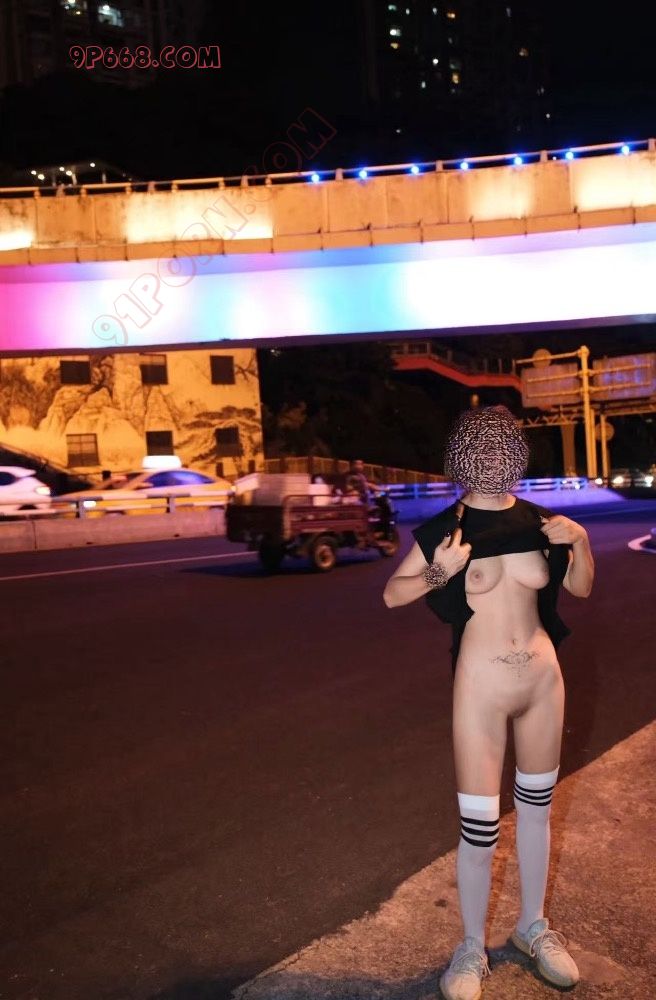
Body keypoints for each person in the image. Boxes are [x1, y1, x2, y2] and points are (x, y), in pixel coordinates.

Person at [383, 404, 594, 999]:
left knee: (537, 812)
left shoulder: (542, 524)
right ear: (460, 458)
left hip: (544, 685)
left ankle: (532, 927)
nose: (491, 457)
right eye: (480, 448)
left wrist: (580, 541)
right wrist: (440, 571)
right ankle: (471, 946)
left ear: (516, 455)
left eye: (501, 446)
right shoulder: (445, 531)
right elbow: (392, 594)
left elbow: (580, 588)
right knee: (479, 829)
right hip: (479, 692)